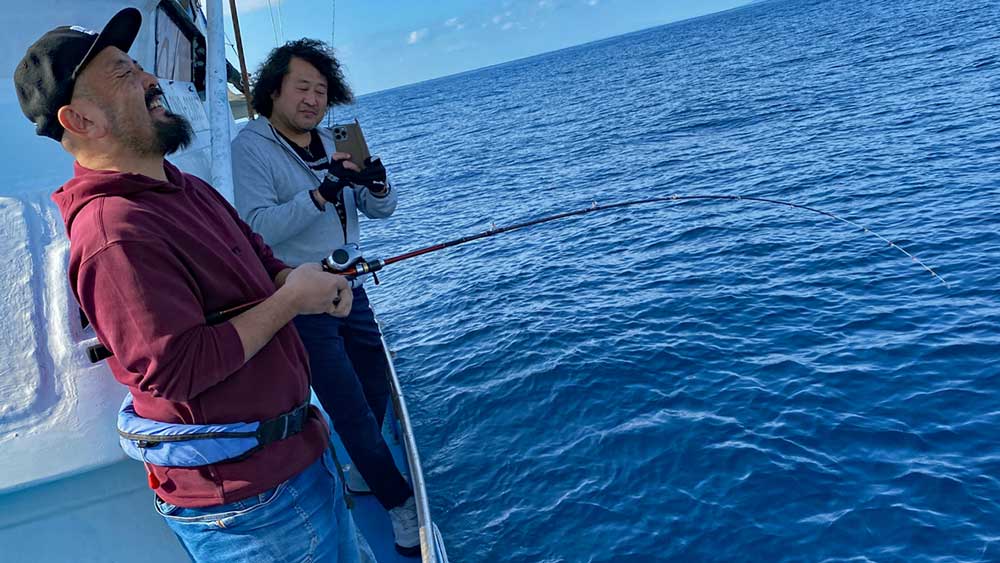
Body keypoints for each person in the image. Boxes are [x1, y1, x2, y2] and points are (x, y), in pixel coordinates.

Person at [15, 9, 369, 562]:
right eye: (123, 75)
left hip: (301, 459)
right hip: (253, 512)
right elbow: (178, 369)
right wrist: (292, 299)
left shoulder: (183, 187)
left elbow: (259, 258)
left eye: (140, 67)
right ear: (80, 120)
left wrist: (305, 282)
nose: (151, 81)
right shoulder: (115, 235)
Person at [230, 39, 420, 556]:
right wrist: (324, 191)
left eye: (321, 90)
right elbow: (257, 227)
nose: (313, 100)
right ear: (273, 92)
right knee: (350, 408)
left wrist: (376, 188)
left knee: (375, 384)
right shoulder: (251, 145)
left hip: (351, 285)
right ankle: (399, 504)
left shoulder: (335, 139)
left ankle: (365, 469)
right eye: (302, 87)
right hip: (304, 297)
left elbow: (380, 211)